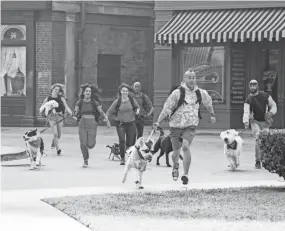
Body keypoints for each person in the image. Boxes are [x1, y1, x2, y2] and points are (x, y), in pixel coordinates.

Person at [154, 70, 216, 185]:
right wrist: (158, 121)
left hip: (190, 125)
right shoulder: (177, 93)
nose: (192, 80)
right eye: (189, 77)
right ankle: (176, 166)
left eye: (194, 77)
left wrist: (212, 114)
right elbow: (166, 108)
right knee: (175, 153)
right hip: (175, 126)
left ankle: (185, 174)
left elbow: (208, 103)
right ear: (184, 79)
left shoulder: (201, 93)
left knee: (186, 147)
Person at [74, 83, 111, 168]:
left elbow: (101, 112)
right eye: (86, 91)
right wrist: (74, 113)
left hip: (92, 123)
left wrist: (107, 120)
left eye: (89, 91)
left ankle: (90, 144)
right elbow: (75, 111)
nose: (88, 92)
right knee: (83, 143)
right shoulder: (79, 102)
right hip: (82, 123)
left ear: (91, 93)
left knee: (90, 144)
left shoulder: (94, 102)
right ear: (83, 92)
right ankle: (85, 160)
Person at [242, 79, 277, 169]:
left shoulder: (265, 95)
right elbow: (246, 111)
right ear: (249, 87)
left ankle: (266, 160)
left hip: (265, 122)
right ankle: (258, 161)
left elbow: (274, 105)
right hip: (254, 122)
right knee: (258, 139)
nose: (253, 87)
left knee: (266, 140)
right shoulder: (248, 99)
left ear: (258, 86)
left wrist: (271, 113)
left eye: (254, 85)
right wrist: (246, 121)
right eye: (251, 85)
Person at [106, 83, 140, 165]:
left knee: (130, 142)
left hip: (131, 123)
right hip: (121, 124)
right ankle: (122, 158)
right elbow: (109, 112)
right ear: (120, 92)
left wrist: (137, 111)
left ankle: (130, 158)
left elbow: (137, 107)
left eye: (126, 91)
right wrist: (108, 120)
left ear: (128, 92)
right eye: (123, 91)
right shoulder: (117, 102)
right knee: (122, 141)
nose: (125, 92)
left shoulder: (131, 100)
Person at [40, 83, 72, 155]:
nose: (57, 91)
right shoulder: (48, 98)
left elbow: (66, 107)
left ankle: (54, 142)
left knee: (59, 135)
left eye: (58, 90)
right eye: (55, 89)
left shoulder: (61, 98)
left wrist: (71, 113)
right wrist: (46, 110)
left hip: (59, 116)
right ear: (52, 89)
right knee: (55, 133)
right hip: (51, 117)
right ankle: (58, 149)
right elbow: (42, 107)